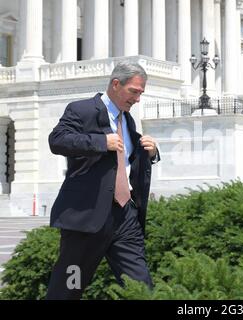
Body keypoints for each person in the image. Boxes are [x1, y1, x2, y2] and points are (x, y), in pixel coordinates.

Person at [46, 61, 160, 300]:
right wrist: (100, 142)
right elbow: (57, 140)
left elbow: (124, 162)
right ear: (116, 84)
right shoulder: (82, 110)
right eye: (134, 91)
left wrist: (149, 152)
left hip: (125, 217)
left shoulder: (127, 120)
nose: (138, 99)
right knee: (69, 287)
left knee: (141, 287)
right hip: (86, 219)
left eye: (141, 93)